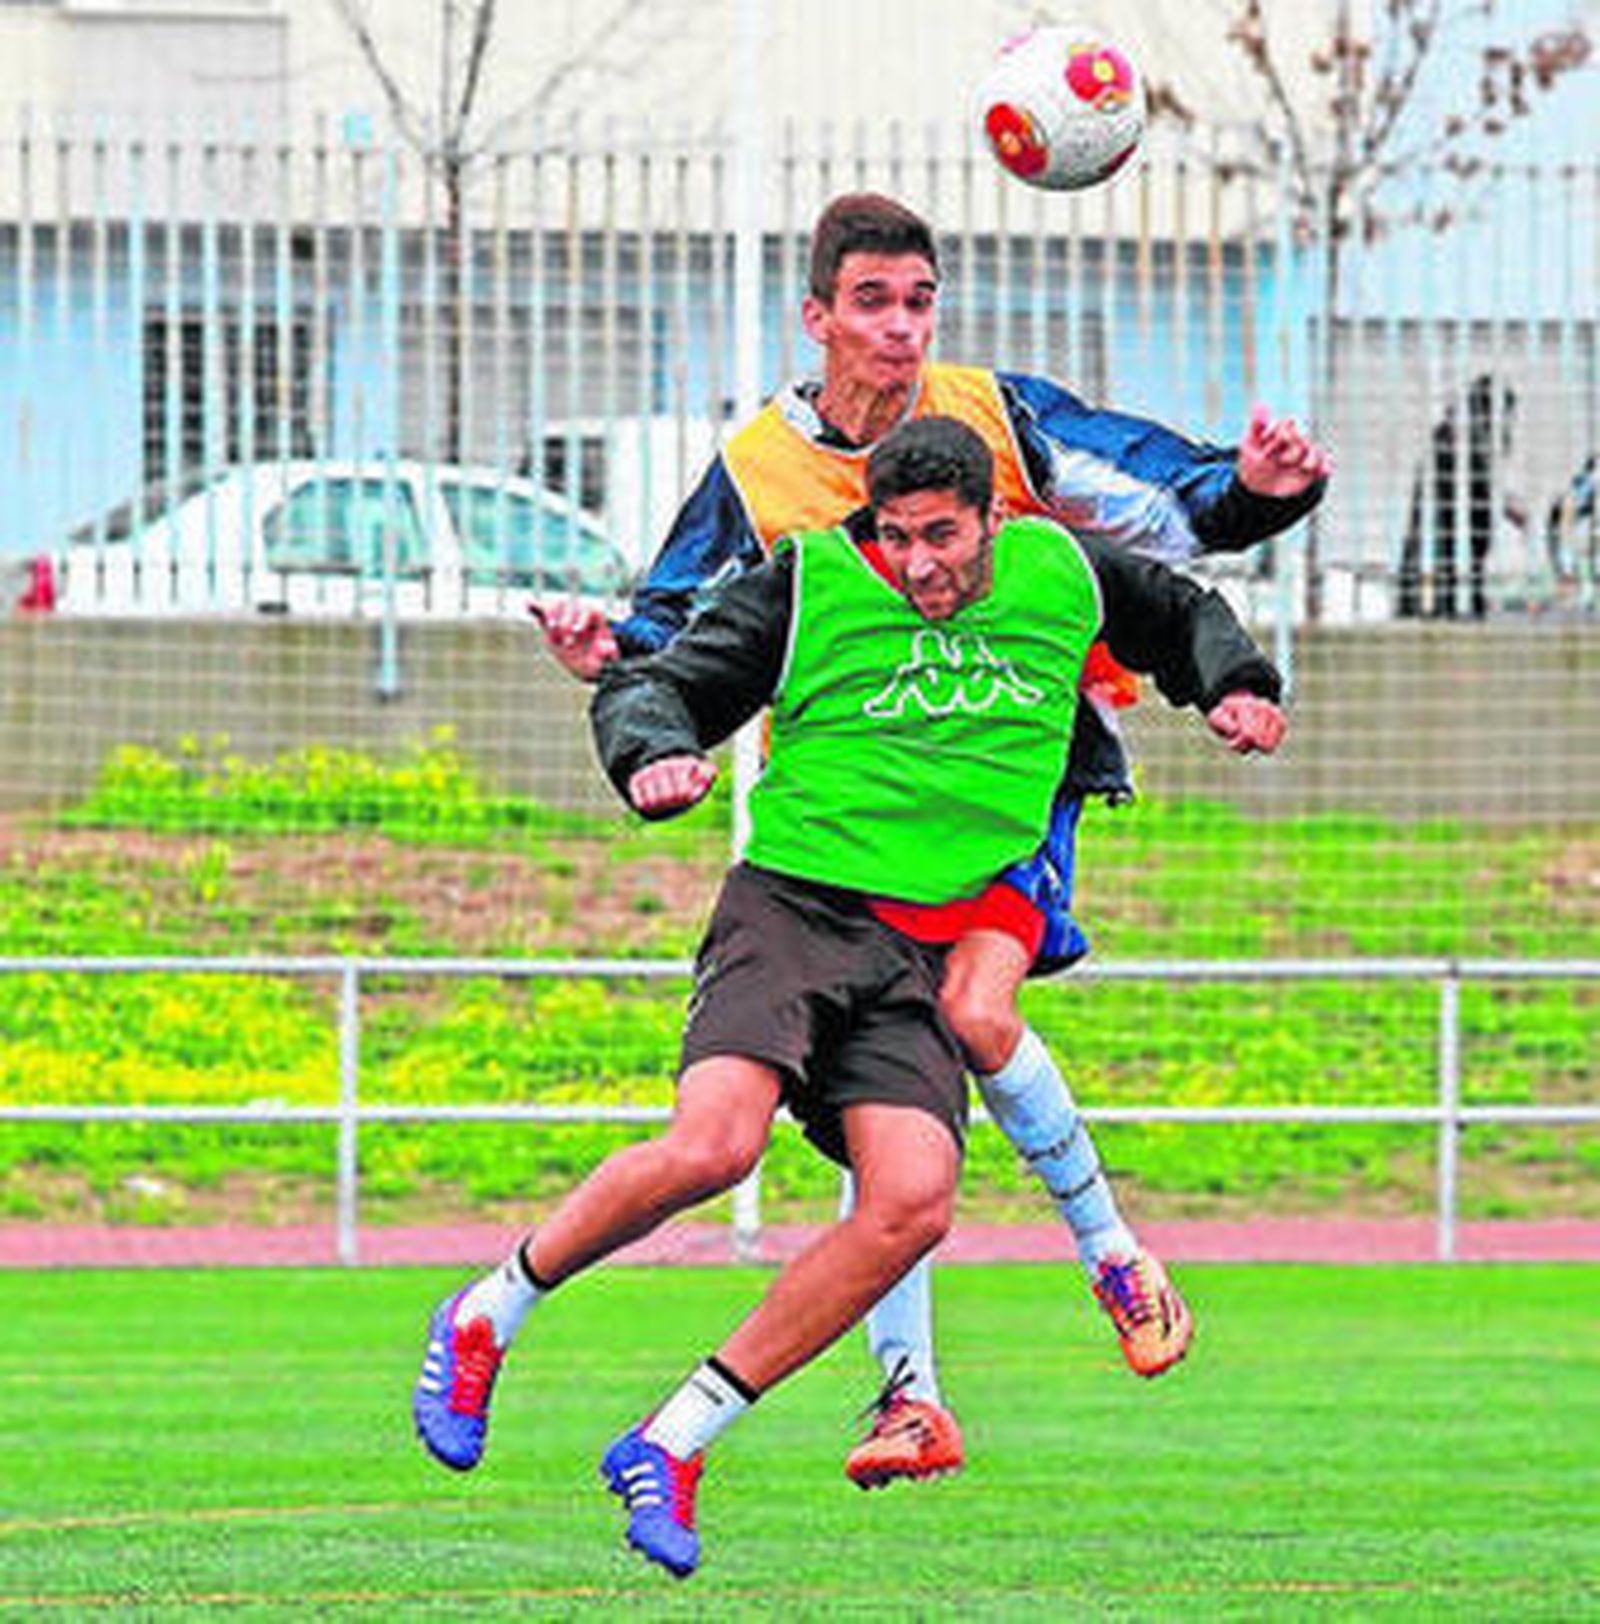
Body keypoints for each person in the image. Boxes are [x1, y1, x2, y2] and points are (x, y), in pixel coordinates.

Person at [535, 192, 1329, 1487]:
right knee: (881, 1093)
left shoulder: (994, 416)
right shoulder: (757, 473)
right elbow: (675, 630)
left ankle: (1113, 1255)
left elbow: (1160, 507)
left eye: (919, 301)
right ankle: (911, 1400)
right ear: (820, 317)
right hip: (850, 833)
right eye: (873, 304)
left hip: (1018, 786)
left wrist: (1248, 492)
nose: (902, 331)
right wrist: (612, 660)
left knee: (971, 1011)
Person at [414, 416, 1288, 1578]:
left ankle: (671, 1442)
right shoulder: (811, 580)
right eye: (895, 536)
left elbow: (1183, 616)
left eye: (941, 536)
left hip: (926, 948)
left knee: (913, 1201)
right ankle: (489, 1312)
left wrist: (1235, 685)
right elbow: (663, 684)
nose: (918, 562)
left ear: (992, 519)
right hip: (796, 912)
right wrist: (652, 754)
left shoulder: (1061, 571)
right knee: (713, 1148)